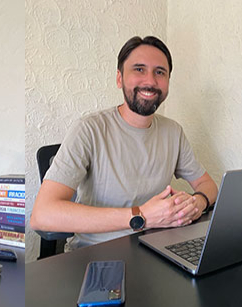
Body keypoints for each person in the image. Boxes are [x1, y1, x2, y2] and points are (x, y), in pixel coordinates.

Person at [30, 36, 218, 251]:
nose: (150, 81)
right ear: (119, 78)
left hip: (157, 248)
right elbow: (42, 215)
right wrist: (141, 216)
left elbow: (208, 186)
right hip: (97, 253)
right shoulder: (89, 129)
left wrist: (198, 203)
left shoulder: (173, 131)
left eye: (160, 72)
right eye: (139, 69)